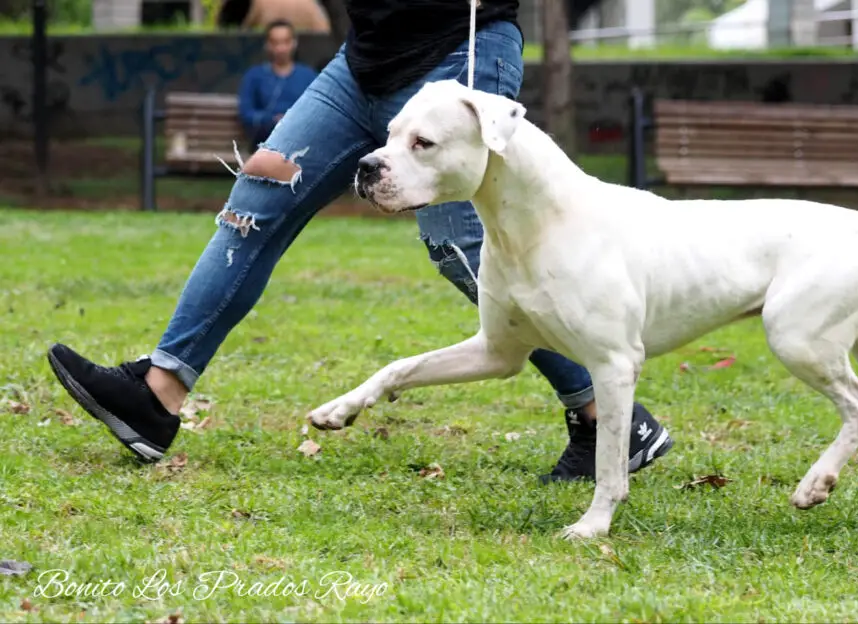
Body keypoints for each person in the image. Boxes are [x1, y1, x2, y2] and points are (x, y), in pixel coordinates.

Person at [47, 0, 674, 483]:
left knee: (459, 245)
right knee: (256, 204)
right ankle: (157, 395)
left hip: (460, 51)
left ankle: (606, 418)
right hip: (363, 63)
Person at [238, 20, 319, 151]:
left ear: (294, 43)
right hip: (264, 142)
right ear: (267, 45)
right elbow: (246, 112)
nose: (280, 48)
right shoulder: (255, 75)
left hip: (299, 143)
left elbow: (316, 112)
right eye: (275, 42)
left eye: (285, 42)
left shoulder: (308, 76)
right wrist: (270, 119)